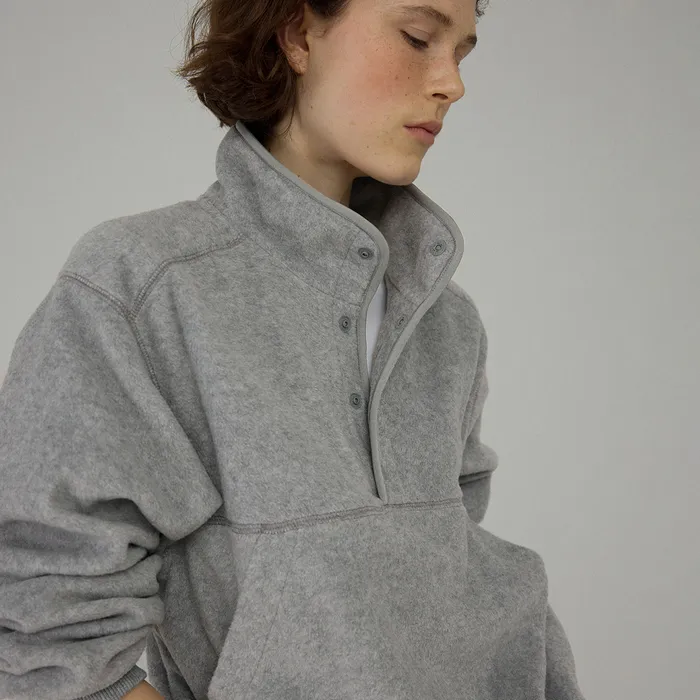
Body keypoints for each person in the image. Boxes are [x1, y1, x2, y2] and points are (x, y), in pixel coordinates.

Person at [0, 1, 586, 698]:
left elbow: (451, 553)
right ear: (298, 35)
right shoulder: (144, 285)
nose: (452, 84)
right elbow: (43, 613)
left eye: (461, 54)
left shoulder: (445, 318)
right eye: (417, 38)